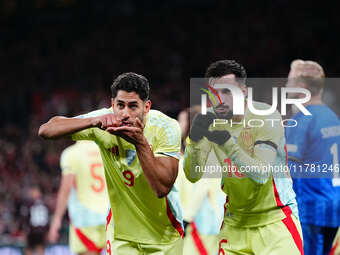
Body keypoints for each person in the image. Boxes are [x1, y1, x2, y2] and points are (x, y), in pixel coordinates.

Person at [38, 72, 183, 255]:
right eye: (120, 105)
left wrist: (140, 142)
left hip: (164, 234)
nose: (125, 114)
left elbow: (161, 188)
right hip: (121, 236)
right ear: (112, 104)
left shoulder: (167, 128)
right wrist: (91, 122)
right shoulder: (102, 121)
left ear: (146, 107)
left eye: (133, 106)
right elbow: (46, 130)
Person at [183, 60, 303, 254]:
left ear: (244, 91)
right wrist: (194, 142)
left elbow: (261, 174)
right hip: (235, 223)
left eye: (227, 92)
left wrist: (227, 144)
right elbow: (192, 175)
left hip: (275, 221)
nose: (220, 99)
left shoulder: (266, 116)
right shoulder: (209, 119)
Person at [285, 59, 340, 255]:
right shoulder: (332, 117)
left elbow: (287, 170)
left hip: (310, 209)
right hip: (333, 207)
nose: (286, 85)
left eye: (290, 81)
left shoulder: (301, 120)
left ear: (301, 86)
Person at [176, 106, 225, 255]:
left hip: (201, 224)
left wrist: (187, 218)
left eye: (181, 121)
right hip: (203, 222)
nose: (178, 125)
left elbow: (203, 185)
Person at [47, 140, 108, 255]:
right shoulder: (106, 149)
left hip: (84, 218)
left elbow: (66, 188)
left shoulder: (71, 154)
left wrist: (57, 219)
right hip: (108, 216)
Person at [25, 186, 49, 255]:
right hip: (41, 230)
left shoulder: (30, 203)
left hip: (33, 229)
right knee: (39, 248)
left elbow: (27, 218)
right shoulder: (45, 203)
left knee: (30, 248)